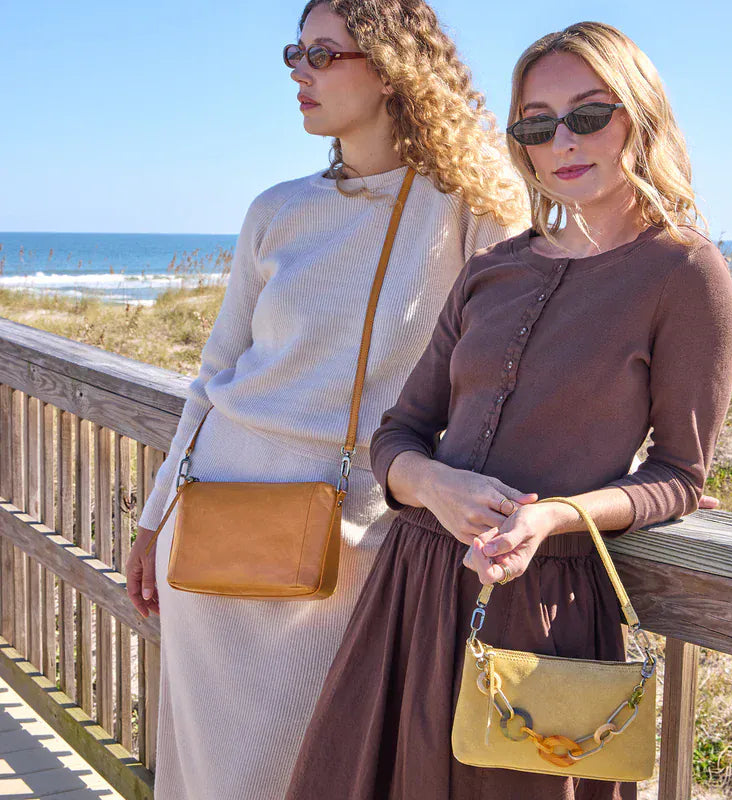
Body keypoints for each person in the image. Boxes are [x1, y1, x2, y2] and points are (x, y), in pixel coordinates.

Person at [285, 21, 732, 800]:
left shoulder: (686, 272)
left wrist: (551, 518)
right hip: (413, 588)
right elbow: (398, 434)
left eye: (588, 114)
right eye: (536, 124)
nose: (563, 141)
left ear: (640, 116)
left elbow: (679, 475)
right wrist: (434, 486)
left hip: (543, 610)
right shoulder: (493, 268)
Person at [124, 1, 528, 798]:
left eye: (322, 55)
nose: (298, 73)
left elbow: (521, 361)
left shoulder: (473, 204)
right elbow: (216, 373)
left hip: (350, 541)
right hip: (212, 528)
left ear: (390, 69)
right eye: (295, 53)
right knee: (210, 776)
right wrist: (153, 518)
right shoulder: (276, 209)